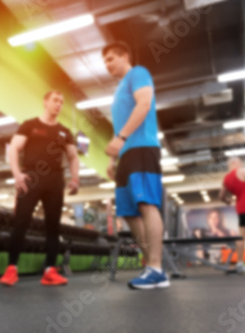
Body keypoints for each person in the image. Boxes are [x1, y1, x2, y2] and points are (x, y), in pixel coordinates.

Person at [102, 41, 169, 289]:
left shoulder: (138, 73)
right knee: (128, 212)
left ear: (124, 56)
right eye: (105, 61)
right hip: (126, 154)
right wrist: (112, 159)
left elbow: (144, 104)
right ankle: (150, 265)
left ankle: (156, 269)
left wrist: (121, 139)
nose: (107, 64)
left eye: (111, 58)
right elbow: (118, 125)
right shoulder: (118, 89)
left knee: (146, 205)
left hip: (141, 147)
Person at [0, 90, 80, 287]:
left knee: (53, 227)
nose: (58, 104)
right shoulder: (30, 125)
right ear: (45, 102)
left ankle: (50, 271)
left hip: (54, 179)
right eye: (55, 100)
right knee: (21, 222)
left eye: (61, 101)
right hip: (31, 177)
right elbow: (14, 148)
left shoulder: (65, 131)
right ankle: (11, 269)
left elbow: (73, 156)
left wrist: (75, 179)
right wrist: (17, 174)